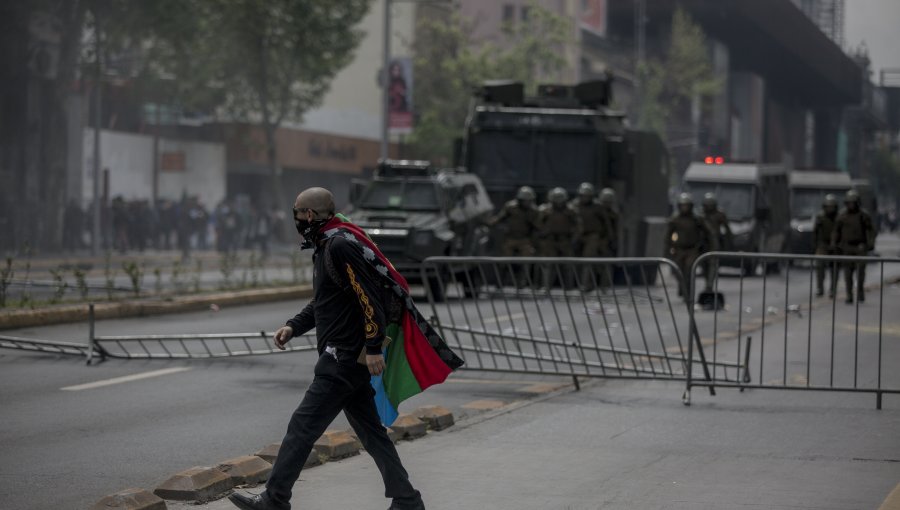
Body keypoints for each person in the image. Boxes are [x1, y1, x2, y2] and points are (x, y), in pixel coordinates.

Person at [228, 187, 427, 510]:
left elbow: (369, 299)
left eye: (297, 212)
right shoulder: (328, 244)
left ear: (308, 215)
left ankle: (275, 499)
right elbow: (326, 300)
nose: (295, 218)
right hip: (346, 359)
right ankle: (407, 500)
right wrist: (294, 326)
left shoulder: (338, 246)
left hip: (343, 359)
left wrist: (373, 347)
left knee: (302, 427)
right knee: (372, 433)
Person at [665, 193, 717, 298]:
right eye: (682, 205)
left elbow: (709, 232)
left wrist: (711, 246)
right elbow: (668, 236)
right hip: (679, 249)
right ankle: (682, 286)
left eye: (686, 205)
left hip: (692, 249)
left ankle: (688, 292)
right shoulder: (675, 219)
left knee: (689, 269)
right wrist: (669, 248)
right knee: (677, 270)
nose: (684, 208)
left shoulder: (697, 219)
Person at [831, 189, 876, 304]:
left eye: (853, 202)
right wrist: (834, 244)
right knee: (848, 273)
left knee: (860, 272)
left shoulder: (863, 215)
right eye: (849, 203)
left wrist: (870, 243)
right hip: (846, 247)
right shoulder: (842, 215)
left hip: (860, 247)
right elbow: (836, 231)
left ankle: (860, 292)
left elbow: (871, 230)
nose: (851, 205)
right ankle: (849, 295)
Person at [537, 187, 580, 288]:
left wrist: (574, 239)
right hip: (550, 240)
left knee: (568, 265)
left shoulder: (571, 210)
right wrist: (542, 237)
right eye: (556, 200)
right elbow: (537, 225)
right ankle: (546, 287)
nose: (558, 203)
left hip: (565, 240)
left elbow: (578, 226)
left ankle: (568, 288)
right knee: (548, 265)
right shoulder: (545, 210)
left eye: (560, 200)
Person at [490, 186, 539, 257]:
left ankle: (526, 268)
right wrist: (492, 222)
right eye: (525, 200)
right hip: (511, 238)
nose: (527, 202)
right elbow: (500, 217)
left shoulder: (534, 211)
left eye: (529, 200)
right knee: (505, 255)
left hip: (525, 239)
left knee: (528, 254)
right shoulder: (511, 207)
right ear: (520, 200)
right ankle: (505, 268)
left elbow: (538, 226)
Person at [700, 193, 732, 292]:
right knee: (704, 265)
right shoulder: (701, 216)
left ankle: (709, 285)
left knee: (713, 264)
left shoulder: (719, 215)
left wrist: (728, 243)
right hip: (702, 243)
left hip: (714, 242)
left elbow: (727, 229)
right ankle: (707, 282)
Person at [813, 194, 839, 297]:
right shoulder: (820, 216)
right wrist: (816, 245)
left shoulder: (839, 217)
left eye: (831, 206)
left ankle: (833, 289)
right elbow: (815, 232)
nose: (830, 209)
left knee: (835, 268)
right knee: (819, 266)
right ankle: (820, 288)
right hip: (823, 244)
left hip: (835, 245)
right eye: (828, 206)